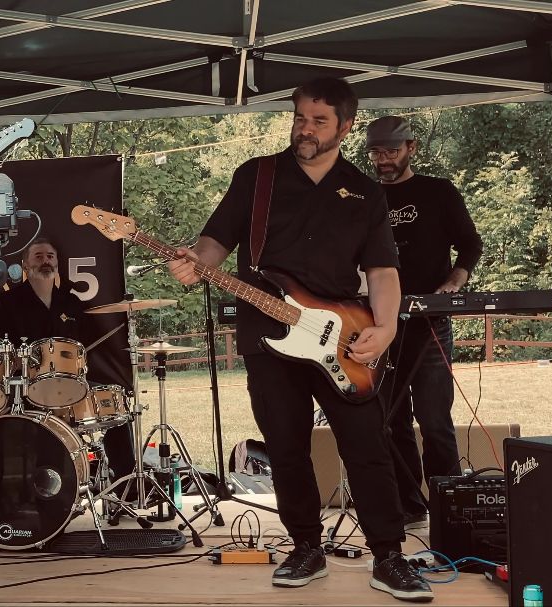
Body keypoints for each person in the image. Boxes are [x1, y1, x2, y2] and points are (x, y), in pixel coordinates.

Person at [168, 78, 433, 602]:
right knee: (286, 449)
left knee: (368, 447)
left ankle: (389, 556)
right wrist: (196, 263)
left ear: (346, 126)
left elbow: (382, 270)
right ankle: (306, 548)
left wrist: (385, 327)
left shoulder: (365, 191)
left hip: (343, 337)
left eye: (319, 121)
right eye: (299, 118)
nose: (305, 130)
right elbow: (216, 239)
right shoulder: (257, 176)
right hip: (268, 335)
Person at [366, 116, 482, 532]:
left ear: (411, 148)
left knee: (434, 418)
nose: (383, 160)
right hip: (378, 321)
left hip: (430, 320)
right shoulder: (364, 197)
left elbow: (470, 244)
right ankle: (409, 506)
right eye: (376, 153)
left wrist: (454, 282)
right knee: (390, 418)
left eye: (391, 152)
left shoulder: (438, 191)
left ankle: (448, 509)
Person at [0, 238, 138, 485]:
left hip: (71, 384)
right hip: (25, 387)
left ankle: (127, 485)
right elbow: (1, 350)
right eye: (38, 256)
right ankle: (43, 486)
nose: (45, 261)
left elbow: (85, 345)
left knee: (114, 405)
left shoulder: (71, 303)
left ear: (57, 263)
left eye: (50, 256)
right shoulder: (8, 302)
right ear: (25, 265)